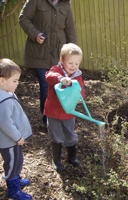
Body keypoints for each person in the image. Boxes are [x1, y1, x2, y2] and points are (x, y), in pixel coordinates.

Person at [19, 0, 77, 126]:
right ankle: (48, 120)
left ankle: (61, 116)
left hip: (59, 55)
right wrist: (35, 34)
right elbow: (23, 18)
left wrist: (74, 55)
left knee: (61, 85)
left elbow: (70, 30)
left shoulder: (65, 4)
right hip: (39, 53)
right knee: (46, 84)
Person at [0, 58, 32, 200]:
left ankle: (15, 178)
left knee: (17, 160)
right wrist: (17, 137)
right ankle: (13, 189)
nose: (18, 83)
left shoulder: (2, 93)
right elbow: (5, 124)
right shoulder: (2, 101)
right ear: (2, 81)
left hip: (12, 140)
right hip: (10, 140)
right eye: (15, 81)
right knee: (12, 163)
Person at [44, 43, 84, 171]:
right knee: (56, 136)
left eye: (76, 64)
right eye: (70, 63)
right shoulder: (56, 71)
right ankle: (56, 160)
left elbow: (81, 90)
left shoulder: (77, 77)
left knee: (70, 135)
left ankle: (72, 157)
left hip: (69, 112)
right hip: (53, 111)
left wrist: (79, 97)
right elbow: (49, 77)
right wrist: (61, 78)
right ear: (62, 60)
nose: (73, 67)